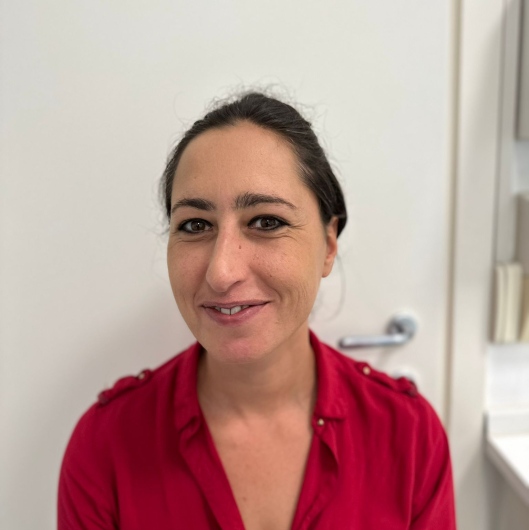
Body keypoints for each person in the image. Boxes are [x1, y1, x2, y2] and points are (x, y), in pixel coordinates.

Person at [58, 92, 457, 530]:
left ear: (328, 244)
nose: (221, 272)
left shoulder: (409, 436)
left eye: (267, 222)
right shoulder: (106, 446)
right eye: (195, 225)